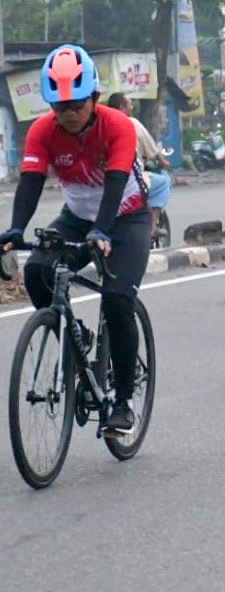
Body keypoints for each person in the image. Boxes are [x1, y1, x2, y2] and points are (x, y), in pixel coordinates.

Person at [0, 44, 150, 434]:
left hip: (127, 217)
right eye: (58, 106)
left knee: (117, 300)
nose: (66, 114)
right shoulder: (42, 130)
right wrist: (17, 229)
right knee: (36, 272)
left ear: (94, 98)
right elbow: (31, 182)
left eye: (75, 105)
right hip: (77, 217)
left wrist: (102, 231)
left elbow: (116, 183)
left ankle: (124, 401)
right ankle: (75, 332)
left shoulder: (117, 125)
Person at [107, 92, 172, 239]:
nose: (132, 106)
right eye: (130, 103)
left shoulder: (103, 124)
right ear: (122, 107)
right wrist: (163, 162)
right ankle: (151, 227)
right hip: (130, 178)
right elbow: (154, 151)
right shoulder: (132, 123)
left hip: (106, 178)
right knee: (163, 183)